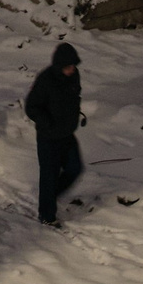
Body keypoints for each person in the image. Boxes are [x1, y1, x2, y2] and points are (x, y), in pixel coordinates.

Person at [24, 43, 85, 226]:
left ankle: (51, 195)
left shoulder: (74, 76)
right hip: (48, 138)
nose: (72, 69)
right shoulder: (46, 80)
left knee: (75, 168)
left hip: (66, 135)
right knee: (49, 175)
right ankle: (47, 216)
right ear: (59, 66)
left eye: (73, 66)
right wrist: (47, 123)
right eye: (68, 67)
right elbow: (31, 107)